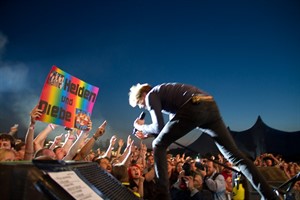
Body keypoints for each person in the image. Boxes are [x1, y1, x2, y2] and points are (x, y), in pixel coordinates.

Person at [128, 82, 280, 200]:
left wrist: (138, 126)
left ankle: (162, 197)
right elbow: (164, 131)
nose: (145, 107)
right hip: (209, 106)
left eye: (141, 104)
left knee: (157, 145)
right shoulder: (168, 95)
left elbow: (158, 127)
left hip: (194, 106)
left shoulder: (151, 95)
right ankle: (270, 196)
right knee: (235, 156)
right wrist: (149, 132)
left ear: (143, 95)